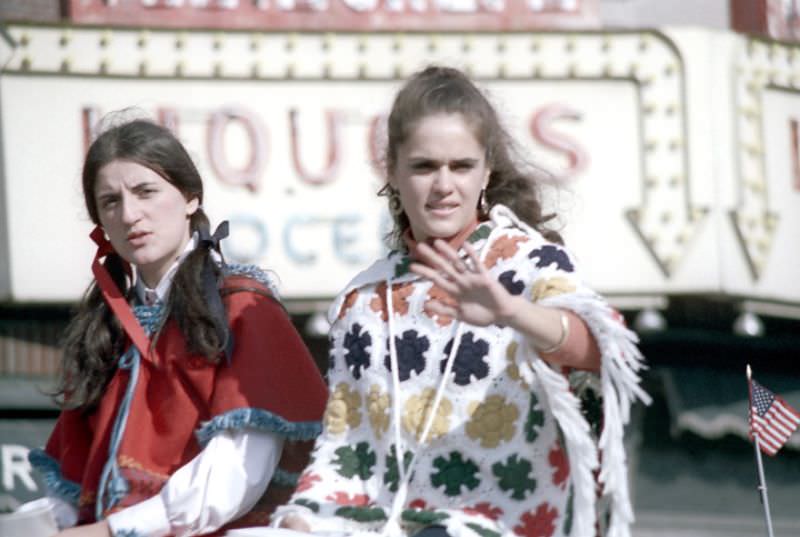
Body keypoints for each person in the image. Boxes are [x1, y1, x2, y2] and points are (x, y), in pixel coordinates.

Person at [273, 66, 650, 537]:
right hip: (380, 521)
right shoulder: (363, 300)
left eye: (461, 166)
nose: (444, 185)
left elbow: (603, 351)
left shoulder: (531, 262)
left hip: (505, 520)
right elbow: (345, 445)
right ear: (391, 170)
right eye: (425, 166)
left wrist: (512, 313)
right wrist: (303, 517)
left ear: (487, 169)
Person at [28, 119, 328, 537]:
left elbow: (228, 484)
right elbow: (73, 491)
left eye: (146, 192)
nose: (130, 214)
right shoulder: (106, 328)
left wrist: (111, 532)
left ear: (190, 197)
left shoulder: (242, 306)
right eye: (110, 201)